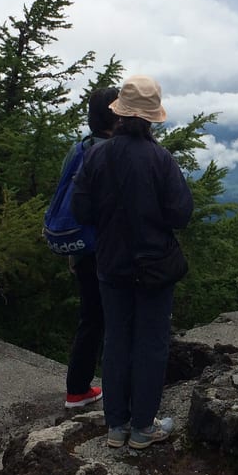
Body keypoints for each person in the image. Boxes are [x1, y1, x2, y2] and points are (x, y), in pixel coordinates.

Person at [71, 76, 193, 450]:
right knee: (152, 343)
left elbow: (80, 209)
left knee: (117, 340)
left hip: (110, 264)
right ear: (152, 117)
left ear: (119, 114)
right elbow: (180, 213)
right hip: (154, 266)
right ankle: (143, 428)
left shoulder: (96, 155)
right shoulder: (160, 159)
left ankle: (115, 426)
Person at [63, 87, 119, 410]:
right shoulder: (112, 153)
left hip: (82, 248)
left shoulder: (78, 148)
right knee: (115, 320)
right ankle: (117, 393)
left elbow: (71, 204)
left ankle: (77, 389)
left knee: (91, 318)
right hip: (108, 249)